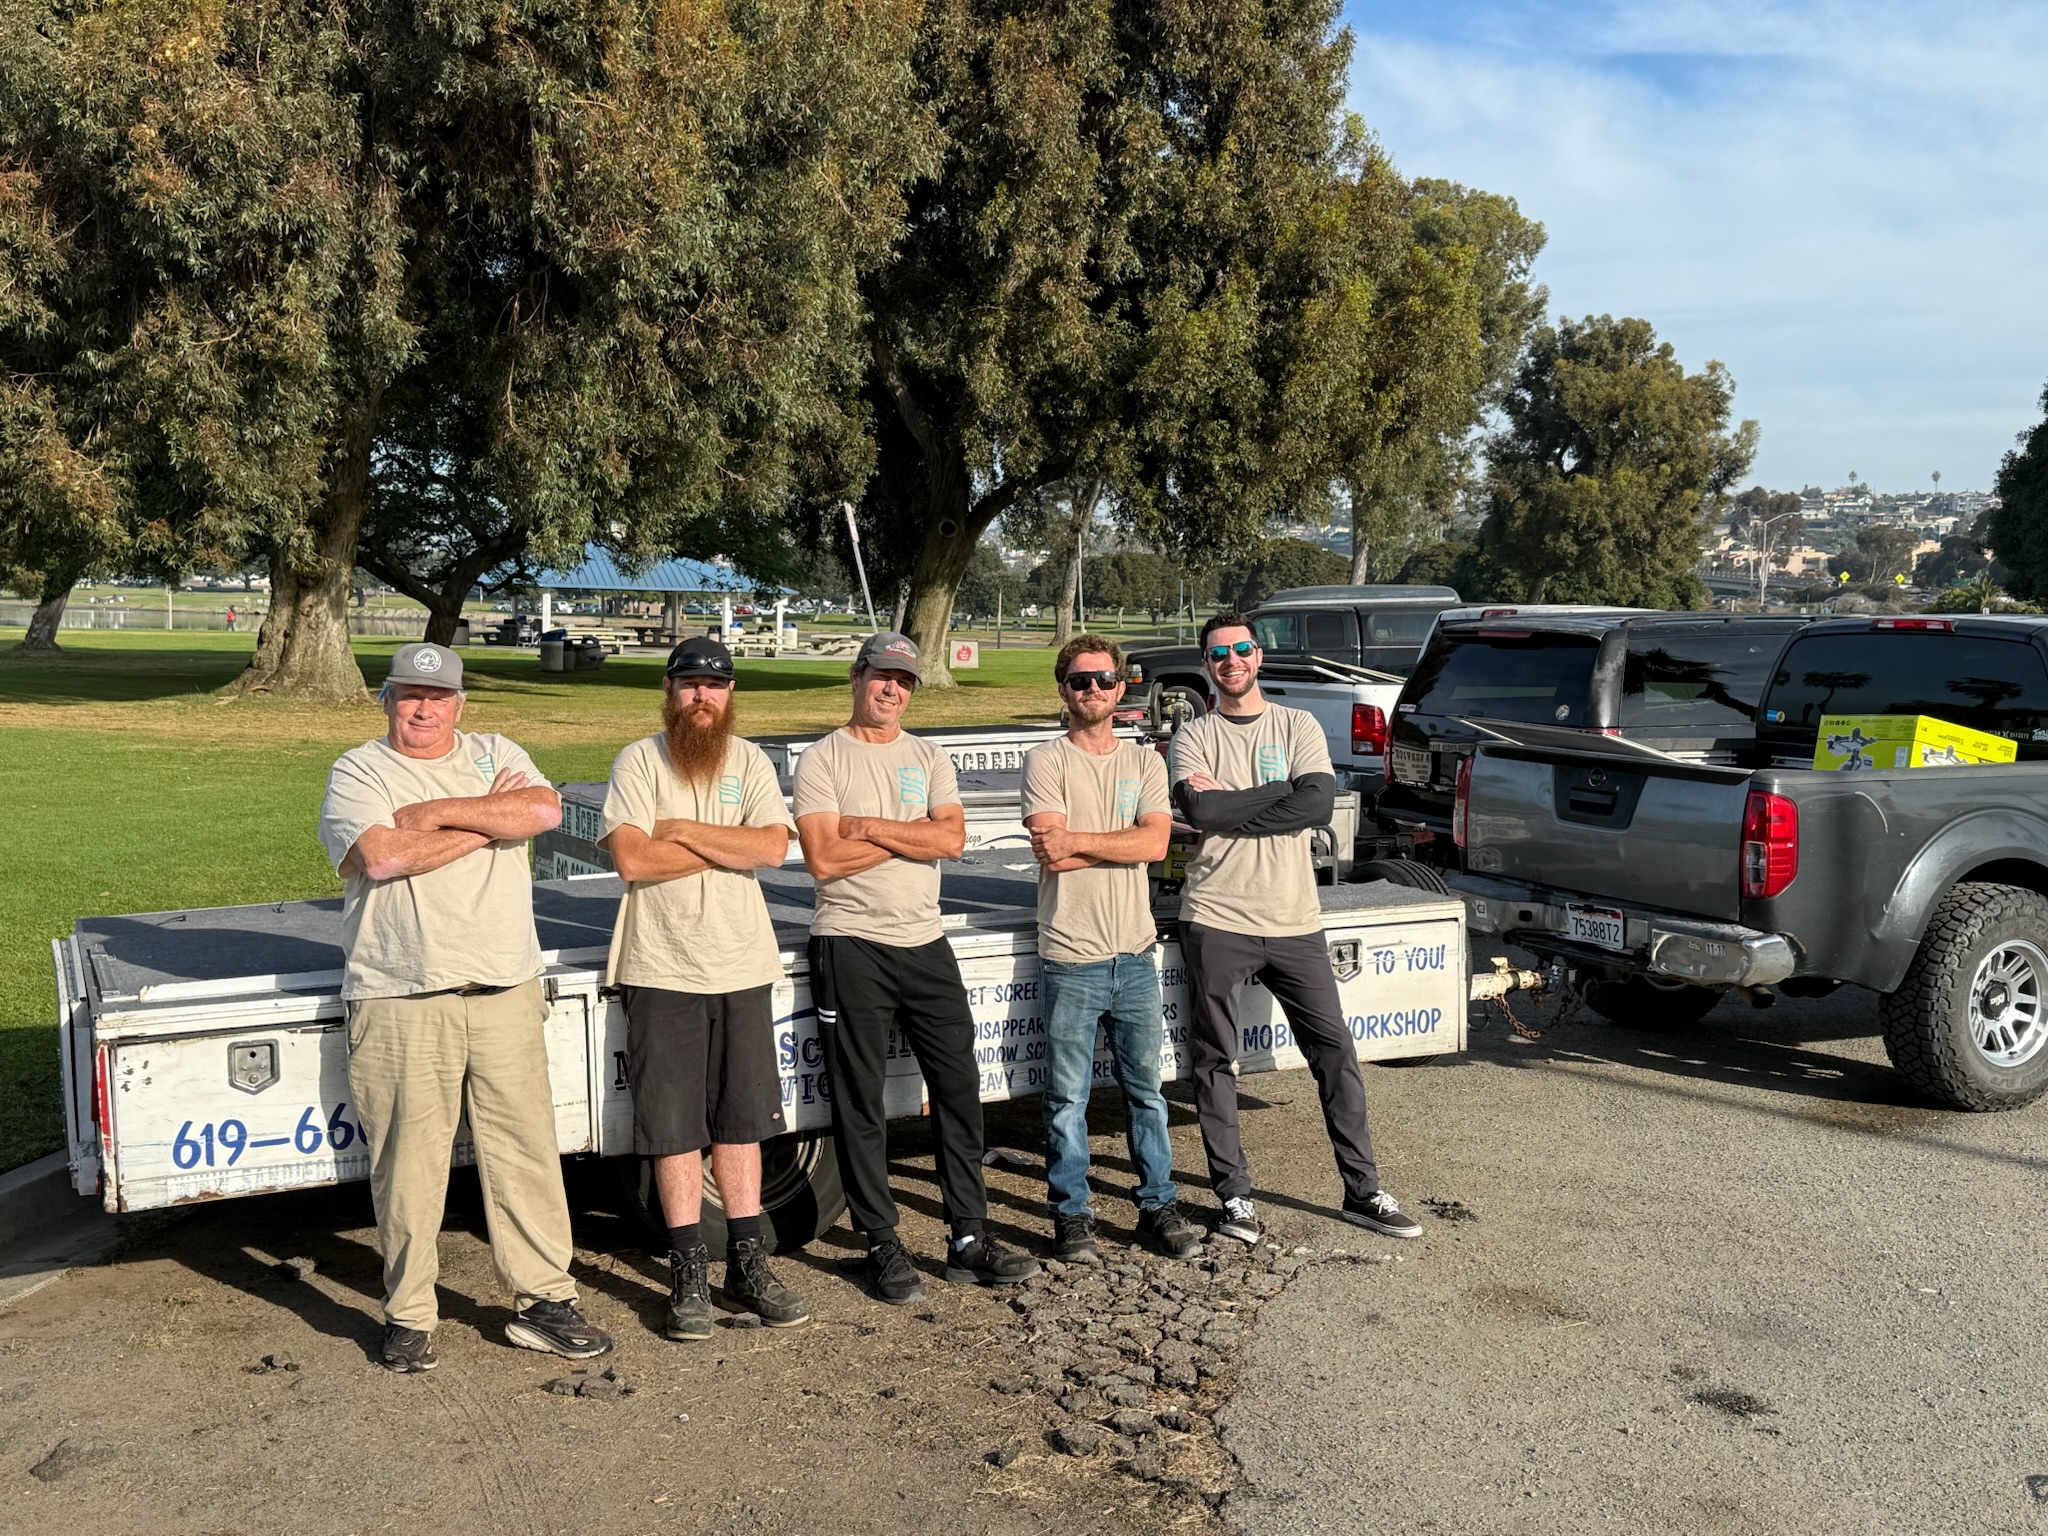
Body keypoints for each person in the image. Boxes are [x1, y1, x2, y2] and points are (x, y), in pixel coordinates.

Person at [317, 643, 614, 1373]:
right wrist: (490, 821)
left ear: (460, 704)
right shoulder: (359, 769)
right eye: (410, 696)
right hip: (400, 990)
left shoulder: (494, 750)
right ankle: (411, 1315)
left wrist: (439, 814)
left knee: (526, 1154)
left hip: (505, 985)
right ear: (386, 699)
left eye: (439, 697)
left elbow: (543, 808)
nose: (424, 709)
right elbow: (381, 856)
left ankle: (545, 1300)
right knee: (409, 1165)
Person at [792, 632, 1039, 1303]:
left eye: (903, 681)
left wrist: (868, 827)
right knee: (861, 1101)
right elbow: (822, 860)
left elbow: (951, 838)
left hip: (925, 943)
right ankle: (881, 1242)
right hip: (850, 943)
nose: (891, 690)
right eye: (881, 677)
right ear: (857, 676)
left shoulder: (928, 755)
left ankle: (967, 1236)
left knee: (959, 1089)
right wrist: (909, 834)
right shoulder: (821, 759)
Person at [1168, 614, 1424, 1245]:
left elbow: (1314, 805)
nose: (1232, 660)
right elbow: (1200, 809)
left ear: (1259, 656)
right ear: (1208, 665)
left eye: (1242, 649)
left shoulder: (1297, 723)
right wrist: (1276, 794)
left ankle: (1363, 1190)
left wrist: (1240, 803)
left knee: (1334, 1052)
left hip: (1294, 921)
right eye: (1219, 652)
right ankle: (1234, 1198)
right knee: (1213, 1061)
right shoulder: (1192, 736)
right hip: (1217, 918)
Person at [599, 638, 809, 1339]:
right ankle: (687, 1267)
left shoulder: (749, 761)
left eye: (714, 687)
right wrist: (725, 841)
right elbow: (632, 859)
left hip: (741, 964)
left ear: (730, 693)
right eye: (690, 685)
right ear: (670, 690)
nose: (702, 698)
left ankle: (747, 1261)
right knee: (673, 1126)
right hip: (660, 966)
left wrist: (683, 831)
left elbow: (772, 849)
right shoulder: (638, 758)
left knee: (742, 1122)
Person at [1023, 635, 1202, 1264]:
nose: (1092, 690)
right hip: (1070, 954)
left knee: (1146, 1092)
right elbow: (1051, 850)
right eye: (1079, 681)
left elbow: (1155, 847)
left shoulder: (1146, 764)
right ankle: (1071, 1216)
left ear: (1122, 687)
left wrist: (1080, 840)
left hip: (1134, 954)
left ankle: (1158, 1204)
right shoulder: (1046, 760)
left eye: (1103, 680)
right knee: (1067, 1097)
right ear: (1063, 690)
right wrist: (1111, 839)